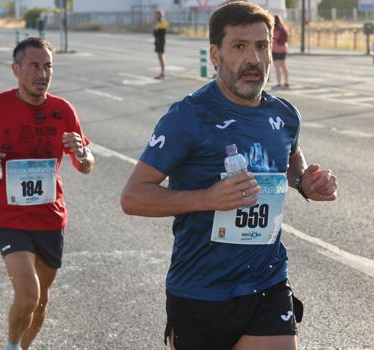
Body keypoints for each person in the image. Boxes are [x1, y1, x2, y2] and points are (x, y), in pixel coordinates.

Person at [121, 2, 337, 350]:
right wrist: (206, 199)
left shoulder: (284, 116)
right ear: (215, 55)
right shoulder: (188, 117)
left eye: (261, 46)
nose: (253, 58)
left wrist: (306, 182)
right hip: (201, 289)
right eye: (239, 46)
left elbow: (292, 160)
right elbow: (133, 196)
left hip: (266, 281)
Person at [0, 37, 95, 350]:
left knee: (42, 300)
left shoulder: (62, 110)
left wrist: (85, 155)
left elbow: (85, 164)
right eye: (34, 66)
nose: (43, 73)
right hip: (8, 214)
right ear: (17, 69)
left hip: (50, 216)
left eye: (48, 66)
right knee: (28, 296)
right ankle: (10, 346)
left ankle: (24, 347)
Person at [272, 14, 289, 89]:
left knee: (277, 67)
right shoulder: (283, 28)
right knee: (283, 66)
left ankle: (279, 84)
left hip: (275, 49)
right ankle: (286, 83)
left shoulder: (274, 29)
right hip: (283, 48)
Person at [153, 9, 169, 79]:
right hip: (157, 42)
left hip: (161, 42)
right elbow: (154, 33)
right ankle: (162, 72)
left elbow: (160, 33)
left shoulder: (163, 23)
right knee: (159, 57)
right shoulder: (158, 23)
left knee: (161, 57)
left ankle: (163, 73)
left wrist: (156, 31)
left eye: (158, 14)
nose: (157, 16)